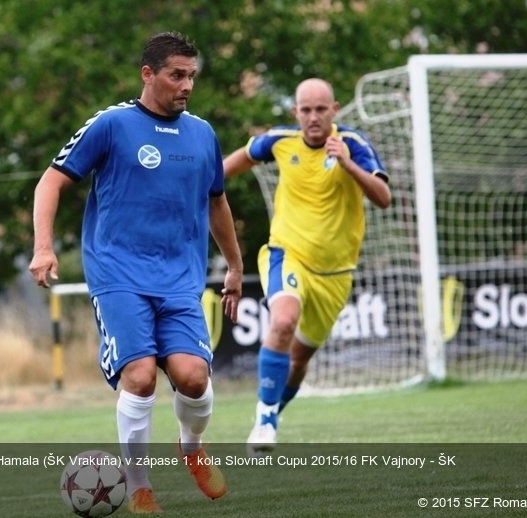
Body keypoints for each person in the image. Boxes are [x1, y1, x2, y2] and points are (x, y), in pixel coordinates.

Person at [30, 32, 243, 513]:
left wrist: (234, 264)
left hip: (180, 279)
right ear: (148, 74)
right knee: (142, 376)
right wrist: (44, 247)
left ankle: (191, 448)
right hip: (118, 275)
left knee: (193, 379)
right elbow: (51, 180)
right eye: (176, 75)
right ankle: (139, 484)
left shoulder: (203, 134)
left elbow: (217, 203)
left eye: (191, 75)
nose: (186, 85)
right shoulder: (112, 125)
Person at [223, 78, 391, 455]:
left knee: (298, 361)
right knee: (282, 321)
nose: (313, 117)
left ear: (335, 110)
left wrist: (348, 164)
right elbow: (235, 163)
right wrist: (198, 185)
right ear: (295, 112)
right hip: (288, 254)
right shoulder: (280, 140)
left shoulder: (355, 145)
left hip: (336, 274)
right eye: (306, 110)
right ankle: (266, 420)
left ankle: (266, 414)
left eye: (321, 109)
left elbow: (383, 198)